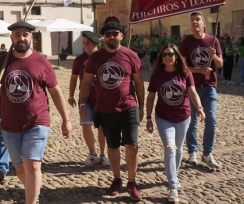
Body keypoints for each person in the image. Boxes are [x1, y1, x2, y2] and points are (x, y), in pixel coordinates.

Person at [0, 21, 72, 204]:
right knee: (21, 169)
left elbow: (55, 91)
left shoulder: (41, 62)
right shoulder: (1, 62)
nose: (21, 38)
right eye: (17, 35)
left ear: (31, 37)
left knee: (32, 166)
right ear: (11, 38)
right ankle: (33, 191)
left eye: (25, 34)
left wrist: (66, 119)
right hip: (9, 124)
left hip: (37, 121)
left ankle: (31, 200)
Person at [79, 22, 145, 200]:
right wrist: (82, 103)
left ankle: (132, 182)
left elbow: (138, 82)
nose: (111, 37)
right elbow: (86, 82)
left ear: (121, 36)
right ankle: (117, 179)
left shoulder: (130, 55)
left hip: (128, 106)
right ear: (103, 38)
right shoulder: (96, 57)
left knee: (132, 145)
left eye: (115, 33)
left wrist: (142, 105)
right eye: (108, 34)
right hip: (105, 108)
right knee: (113, 146)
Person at [146, 44, 205, 202]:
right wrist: (148, 118)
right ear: (161, 57)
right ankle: (173, 186)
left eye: (171, 54)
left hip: (183, 116)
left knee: (179, 148)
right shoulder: (157, 75)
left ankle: (174, 175)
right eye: (164, 54)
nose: (167, 56)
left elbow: (192, 92)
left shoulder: (185, 73)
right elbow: (151, 97)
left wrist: (199, 107)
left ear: (176, 56)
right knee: (170, 148)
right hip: (163, 117)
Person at [178, 12, 223, 168]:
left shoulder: (213, 40)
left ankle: (208, 154)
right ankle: (192, 152)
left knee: (211, 119)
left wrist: (214, 56)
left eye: (197, 20)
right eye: (192, 20)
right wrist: (198, 70)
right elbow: (182, 67)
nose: (194, 22)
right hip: (192, 87)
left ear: (204, 23)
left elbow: (220, 64)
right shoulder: (185, 42)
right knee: (192, 122)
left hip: (209, 87)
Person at [68, 31, 109, 167]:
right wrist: (71, 95)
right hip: (85, 100)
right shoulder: (79, 60)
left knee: (102, 127)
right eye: (84, 42)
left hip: (102, 99)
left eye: (88, 42)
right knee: (86, 125)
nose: (86, 45)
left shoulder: (104, 56)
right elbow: (73, 78)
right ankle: (92, 154)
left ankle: (103, 155)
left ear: (96, 43)